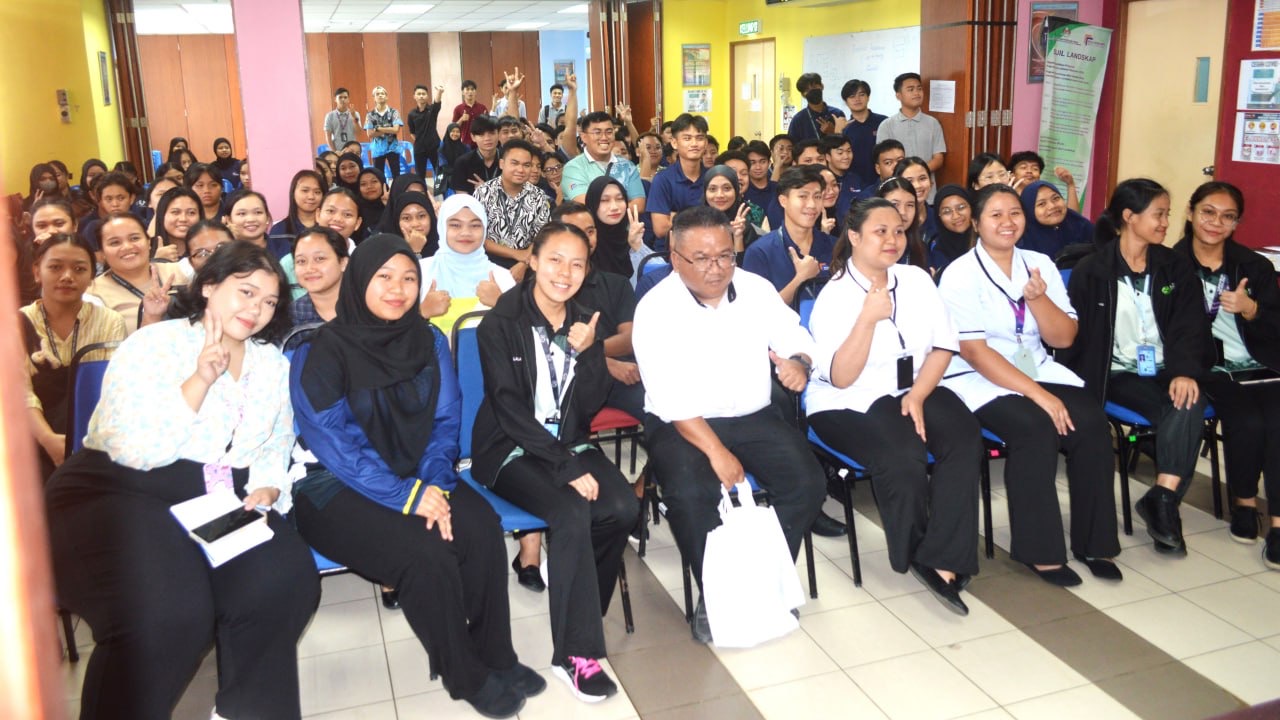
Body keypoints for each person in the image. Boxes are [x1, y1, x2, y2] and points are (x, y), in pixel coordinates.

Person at [46, 241, 319, 719]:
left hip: (209, 499)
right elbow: (134, 450)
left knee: (283, 578)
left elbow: (276, 441)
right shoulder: (155, 344)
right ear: (209, 286)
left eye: (269, 301)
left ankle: (243, 712)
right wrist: (199, 380)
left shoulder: (272, 364)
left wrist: (270, 485)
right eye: (246, 292)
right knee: (167, 615)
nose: (256, 309)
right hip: (116, 489)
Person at [291, 234, 539, 718]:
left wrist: (435, 483)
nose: (398, 289)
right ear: (359, 280)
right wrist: (406, 495)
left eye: (409, 278)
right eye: (384, 276)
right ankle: (462, 674)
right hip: (331, 486)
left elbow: (446, 419)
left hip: (417, 472)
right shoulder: (317, 349)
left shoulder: (426, 339)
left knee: (480, 526)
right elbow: (332, 442)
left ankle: (496, 655)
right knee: (425, 553)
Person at [632, 206, 827, 642]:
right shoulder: (655, 308)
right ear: (675, 257)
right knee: (691, 493)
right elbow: (670, 398)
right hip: (684, 423)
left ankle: (767, 579)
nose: (716, 268)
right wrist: (717, 453)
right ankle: (716, 595)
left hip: (753, 416)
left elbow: (796, 336)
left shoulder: (756, 289)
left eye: (725, 256)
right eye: (701, 258)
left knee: (807, 484)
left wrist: (799, 362)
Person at [471, 222, 633, 702]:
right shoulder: (501, 322)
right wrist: (565, 466)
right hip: (510, 447)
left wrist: (589, 353)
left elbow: (590, 403)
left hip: (569, 442)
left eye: (577, 264)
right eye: (555, 260)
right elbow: (507, 408)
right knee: (570, 510)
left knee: (622, 507)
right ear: (534, 261)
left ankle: (579, 607)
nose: (565, 273)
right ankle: (576, 653)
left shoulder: (585, 321)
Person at [939, 184, 1122, 585]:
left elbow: (1064, 338)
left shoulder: (1039, 264)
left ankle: (1095, 542)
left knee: (1092, 423)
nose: (1008, 222)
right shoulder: (960, 274)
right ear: (976, 223)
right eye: (996, 215)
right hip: (979, 377)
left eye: (1015, 213)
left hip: (1035, 366)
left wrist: (1038, 299)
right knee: (1036, 427)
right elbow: (974, 352)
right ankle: (1040, 551)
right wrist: (1040, 395)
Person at [805, 198, 981, 613]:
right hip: (849, 399)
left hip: (914, 385)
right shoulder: (835, 295)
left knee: (964, 436)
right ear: (854, 237)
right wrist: (867, 319)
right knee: (903, 454)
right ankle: (917, 551)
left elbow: (944, 346)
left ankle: (944, 552)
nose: (892, 240)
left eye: (899, 231)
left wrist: (918, 394)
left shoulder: (916, 279)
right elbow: (842, 376)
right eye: (880, 231)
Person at [1058, 178, 1212, 555]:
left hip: (1166, 367)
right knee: (1183, 413)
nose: (1166, 223)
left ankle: (1162, 497)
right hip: (1115, 372)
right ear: (1129, 216)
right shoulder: (1093, 270)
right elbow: (1076, 336)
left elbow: (1191, 326)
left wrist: (1184, 371)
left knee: (1188, 399)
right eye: (1158, 215)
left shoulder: (1173, 267)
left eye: (1167, 215)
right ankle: (1164, 507)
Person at [1173, 181, 1280, 566]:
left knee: (1278, 422)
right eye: (1208, 212)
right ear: (1191, 213)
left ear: (1236, 223)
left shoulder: (1254, 266)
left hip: (1264, 366)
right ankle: (1245, 504)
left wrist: (1252, 310)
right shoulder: (1170, 265)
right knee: (1247, 422)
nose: (1216, 222)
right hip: (1211, 370)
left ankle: (1278, 523)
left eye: (1227, 216)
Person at [22, 233, 127, 480]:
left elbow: (108, 389)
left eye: (79, 269)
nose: (67, 276)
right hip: (30, 433)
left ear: (91, 277)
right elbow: (18, 392)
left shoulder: (110, 321)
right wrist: (48, 439)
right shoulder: (15, 322)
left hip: (92, 434)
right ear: (37, 271)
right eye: (55, 267)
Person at [417, 194, 515, 333]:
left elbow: (523, 335)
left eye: (475, 225)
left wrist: (501, 304)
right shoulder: (420, 272)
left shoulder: (503, 278)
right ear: (442, 227)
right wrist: (421, 312)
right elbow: (395, 332)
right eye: (455, 225)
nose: (465, 232)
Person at [87, 213, 186, 334]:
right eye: (115, 243)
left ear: (149, 242)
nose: (127, 246)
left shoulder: (183, 271)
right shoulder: (93, 295)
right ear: (102, 253)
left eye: (134, 238)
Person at [474, 139, 550, 277]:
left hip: (527, 262)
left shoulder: (538, 196)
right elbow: (477, 236)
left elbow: (543, 236)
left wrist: (524, 263)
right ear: (502, 164)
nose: (520, 170)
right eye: (514, 163)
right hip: (488, 261)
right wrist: (517, 254)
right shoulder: (483, 193)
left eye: (526, 165)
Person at [876, 73, 947, 197]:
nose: (916, 93)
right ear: (898, 95)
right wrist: (907, 176)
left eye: (919, 88)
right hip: (898, 192)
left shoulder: (933, 123)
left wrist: (917, 174)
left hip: (927, 193)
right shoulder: (886, 125)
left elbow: (938, 159)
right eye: (910, 89)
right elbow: (884, 161)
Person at [561, 111, 647, 209]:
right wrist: (621, 207)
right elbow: (587, 204)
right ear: (584, 137)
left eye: (609, 132)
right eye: (597, 132)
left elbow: (639, 205)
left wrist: (611, 209)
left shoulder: (627, 166)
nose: (604, 137)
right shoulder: (573, 168)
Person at [647, 114, 710, 245]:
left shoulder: (712, 177)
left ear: (706, 143)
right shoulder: (662, 180)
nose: (694, 144)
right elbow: (660, 228)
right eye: (687, 138)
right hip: (670, 251)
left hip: (708, 247)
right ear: (674, 143)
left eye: (699, 138)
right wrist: (703, 217)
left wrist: (675, 216)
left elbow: (722, 221)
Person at [585, 176, 647, 281]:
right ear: (593, 203)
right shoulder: (586, 243)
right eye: (604, 200)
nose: (614, 207)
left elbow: (655, 274)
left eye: (620, 199)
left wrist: (638, 247)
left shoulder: (632, 237)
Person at [1018, 180, 1095, 261]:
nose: (1052, 206)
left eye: (1056, 198)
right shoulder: (1024, 241)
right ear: (1029, 210)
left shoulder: (1079, 224)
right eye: (1041, 204)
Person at [290, 226, 348, 327]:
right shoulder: (289, 317)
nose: (309, 269)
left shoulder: (367, 307)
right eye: (301, 261)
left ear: (343, 263)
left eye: (319, 259)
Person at [701, 165, 757, 258]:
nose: (720, 195)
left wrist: (738, 237)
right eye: (712, 189)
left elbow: (743, 266)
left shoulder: (746, 229)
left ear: (736, 191)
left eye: (726, 188)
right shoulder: (694, 225)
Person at [839, 79, 888, 184]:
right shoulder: (845, 128)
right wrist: (837, 132)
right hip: (854, 182)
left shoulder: (883, 122)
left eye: (861, 95)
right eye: (852, 96)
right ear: (846, 101)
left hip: (882, 180)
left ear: (868, 97)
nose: (857, 99)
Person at [877, 177, 929, 271]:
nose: (903, 212)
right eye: (895, 204)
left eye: (910, 205)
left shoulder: (921, 249)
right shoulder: (868, 246)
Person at [77, 171, 138, 249]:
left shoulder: (140, 224)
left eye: (121, 198)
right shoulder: (92, 229)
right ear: (100, 201)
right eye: (109, 199)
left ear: (132, 198)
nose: (115, 204)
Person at [1010, 150, 1081, 211]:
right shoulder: (1006, 197)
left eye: (1035, 169)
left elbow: (1073, 218)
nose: (1029, 171)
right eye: (1023, 167)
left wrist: (1070, 184)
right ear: (1012, 175)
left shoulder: (1046, 197)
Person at [153, 186, 202, 273]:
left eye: (191, 213)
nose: (183, 219)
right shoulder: (146, 249)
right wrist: (157, 261)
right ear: (162, 215)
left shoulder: (210, 250)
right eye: (175, 212)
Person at [930, 185, 975, 277]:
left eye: (961, 207)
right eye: (947, 212)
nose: (956, 216)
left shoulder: (987, 239)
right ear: (939, 217)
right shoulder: (937, 248)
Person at [269, 170, 325, 242]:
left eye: (317, 192)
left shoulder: (329, 228)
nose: (311, 196)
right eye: (305, 191)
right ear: (293, 193)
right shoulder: (278, 231)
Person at [787, 72, 846, 142]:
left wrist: (833, 132)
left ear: (822, 86)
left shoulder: (837, 114)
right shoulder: (798, 120)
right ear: (803, 95)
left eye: (814, 87)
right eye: (807, 90)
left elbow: (847, 142)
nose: (812, 91)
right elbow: (792, 145)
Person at [450, 115, 502, 195]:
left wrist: (487, 191)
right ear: (473, 137)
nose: (487, 138)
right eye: (481, 134)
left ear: (499, 134)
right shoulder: (462, 163)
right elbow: (462, 198)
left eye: (492, 133)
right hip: (473, 203)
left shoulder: (508, 159)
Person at [894, 156, 937, 243]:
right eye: (909, 181)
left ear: (931, 183)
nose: (917, 185)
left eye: (922, 178)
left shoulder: (938, 218)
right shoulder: (891, 219)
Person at [365, 85, 405, 179]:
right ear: (374, 98)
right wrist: (388, 129)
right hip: (377, 149)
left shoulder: (394, 112)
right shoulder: (370, 115)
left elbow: (396, 130)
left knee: (396, 175)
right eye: (377, 94)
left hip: (393, 148)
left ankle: (396, 188)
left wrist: (378, 129)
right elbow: (370, 134)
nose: (380, 95)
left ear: (386, 97)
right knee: (378, 175)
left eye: (382, 93)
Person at [407, 83, 445, 179]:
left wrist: (439, 92)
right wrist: (421, 140)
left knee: (439, 172)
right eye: (418, 94)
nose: (421, 96)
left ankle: (440, 188)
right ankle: (422, 188)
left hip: (434, 146)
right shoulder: (411, 114)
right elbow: (412, 133)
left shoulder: (432, 110)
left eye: (423, 94)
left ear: (427, 96)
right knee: (420, 174)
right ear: (414, 96)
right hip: (419, 148)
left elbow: (437, 102)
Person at [453, 79, 489, 147]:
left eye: (472, 89)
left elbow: (488, 125)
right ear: (463, 92)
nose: (470, 92)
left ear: (475, 92)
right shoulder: (458, 109)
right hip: (466, 143)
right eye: (467, 89)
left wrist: (485, 119)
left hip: (481, 142)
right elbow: (453, 127)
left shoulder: (482, 107)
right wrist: (461, 119)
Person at [743, 140, 778, 211]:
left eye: (762, 162)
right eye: (752, 163)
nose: (758, 167)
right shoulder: (742, 190)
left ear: (769, 163)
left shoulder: (778, 188)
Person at [355, 168, 388, 239]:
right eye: (363, 184)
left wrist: (389, 207)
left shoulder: (394, 206)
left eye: (374, 181)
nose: (369, 187)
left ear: (383, 183)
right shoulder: (356, 210)